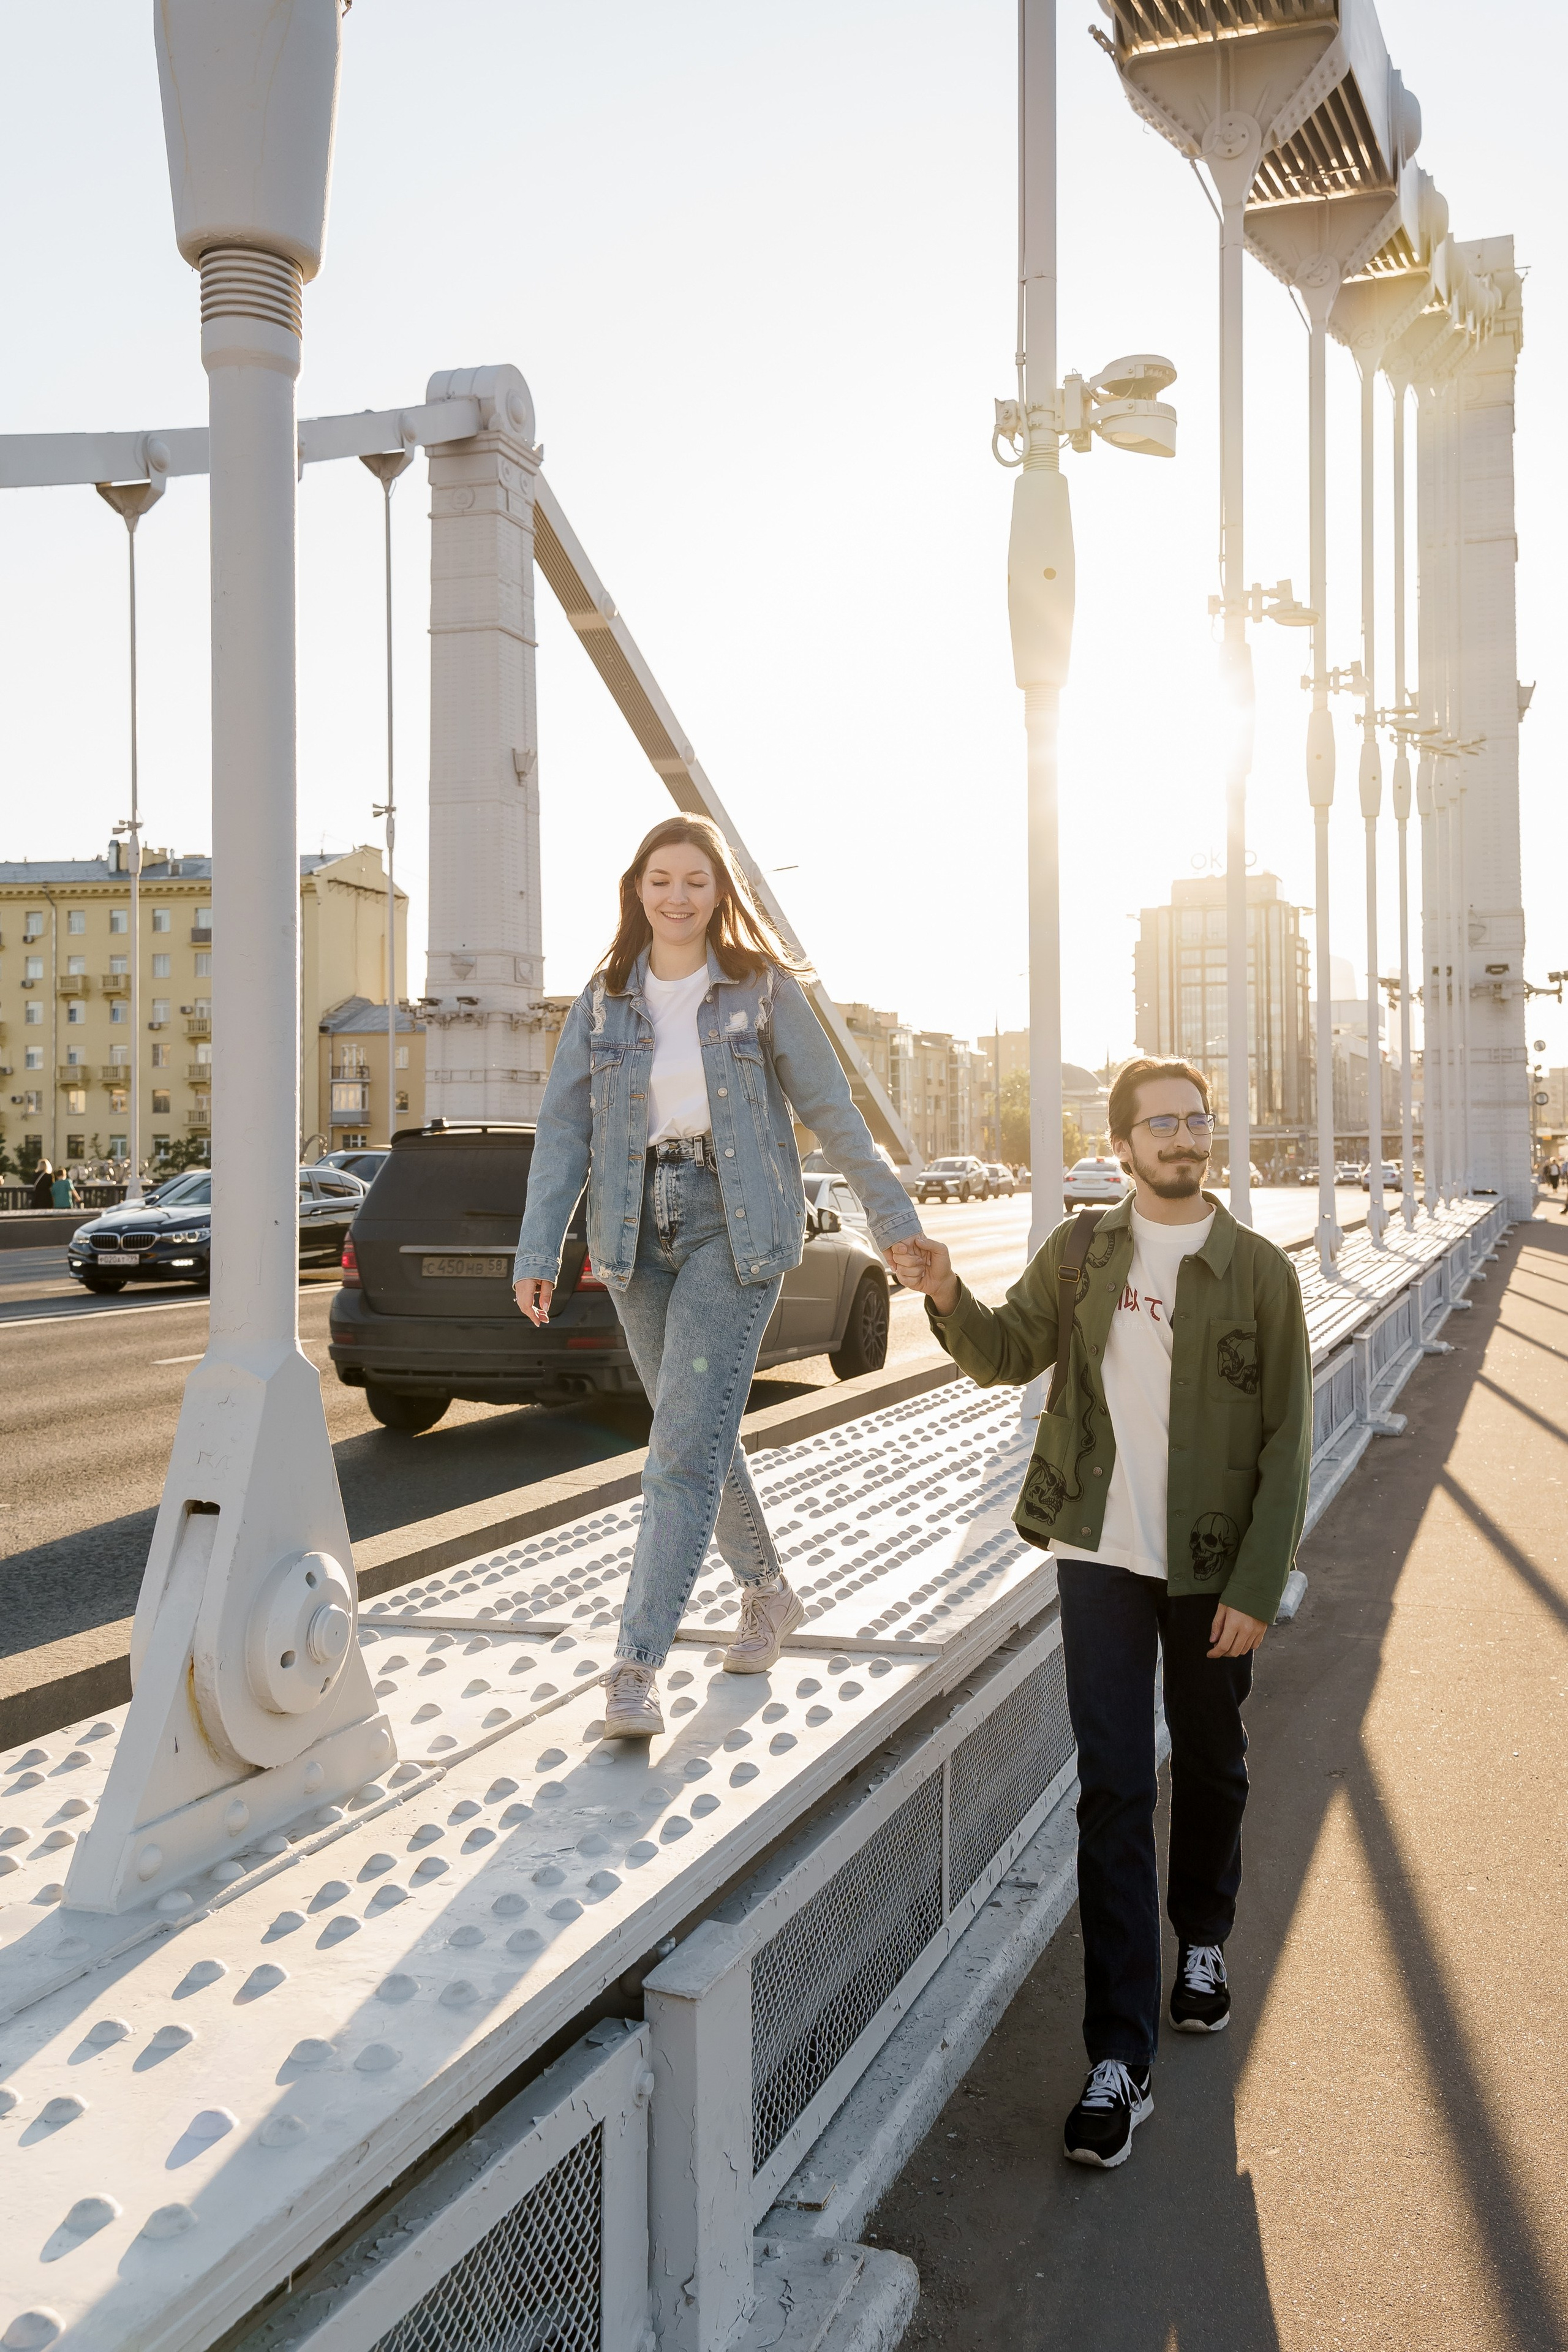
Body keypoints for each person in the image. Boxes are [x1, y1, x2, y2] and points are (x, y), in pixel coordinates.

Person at [891, 1057, 1311, 2173]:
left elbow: (1289, 1437)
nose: (1183, 1137)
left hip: (1212, 1566)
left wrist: (1258, 1586)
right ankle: (1120, 2057)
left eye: (1196, 1120)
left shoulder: (1258, 1270)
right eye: (1160, 1123)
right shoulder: (1082, 1253)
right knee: (1115, 1790)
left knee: (1213, 1761)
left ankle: (1204, 1938)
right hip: (1099, 1557)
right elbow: (1004, 1355)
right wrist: (946, 1291)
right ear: (1121, 1146)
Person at [513, 815, 921, 1739]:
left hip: (731, 1230)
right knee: (692, 1433)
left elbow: (835, 1112)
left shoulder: (761, 992)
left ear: (719, 892)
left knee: (678, 1455)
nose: (678, 896)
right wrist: (540, 1251)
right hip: (631, 1232)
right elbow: (564, 1132)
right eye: (662, 879)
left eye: (696, 880)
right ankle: (768, 1592)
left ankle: (635, 1665)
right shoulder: (602, 1003)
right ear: (637, 888)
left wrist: (894, 1222)